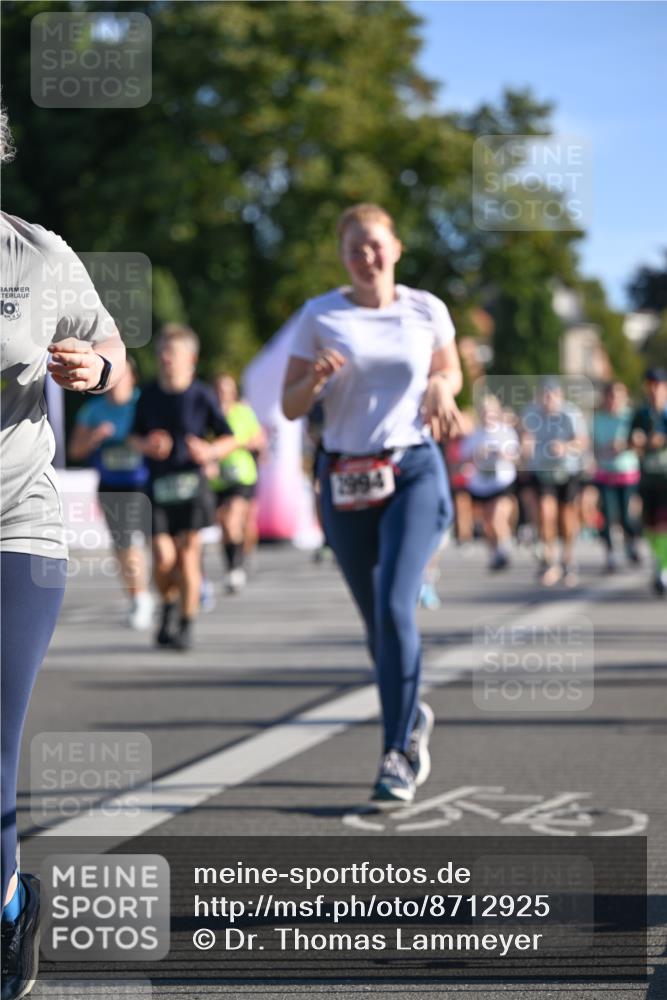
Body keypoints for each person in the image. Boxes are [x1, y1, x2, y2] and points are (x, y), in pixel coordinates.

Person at [1, 111, 126, 1000]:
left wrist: (98, 368)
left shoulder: (36, 256)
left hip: (17, 524)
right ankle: (12, 900)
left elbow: (111, 340)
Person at [281, 203, 462, 805]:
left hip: (411, 467)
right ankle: (410, 716)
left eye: (375, 245)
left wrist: (440, 383)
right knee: (376, 622)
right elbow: (288, 404)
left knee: (395, 604)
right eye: (354, 248)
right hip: (343, 476)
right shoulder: (319, 314)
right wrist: (317, 383)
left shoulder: (425, 308)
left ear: (396, 247)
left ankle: (398, 751)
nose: (366, 256)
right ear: (343, 257)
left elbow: (450, 372)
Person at [130, 324, 236, 649]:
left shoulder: (202, 395)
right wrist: (148, 445)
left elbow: (229, 437)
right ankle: (168, 605)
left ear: (190, 358)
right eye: (161, 352)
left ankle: (186, 625)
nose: (164, 359)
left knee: (189, 557)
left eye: (171, 353)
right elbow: (132, 438)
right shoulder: (148, 394)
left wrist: (209, 451)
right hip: (160, 486)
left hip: (193, 486)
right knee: (163, 558)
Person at [68, 357, 154, 627]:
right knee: (124, 545)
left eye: (122, 374)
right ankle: (139, 598)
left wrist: (142, 443)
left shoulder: (146, 404)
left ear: (132, 378)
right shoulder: (93, 410)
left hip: (146, 483)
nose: (116, 381)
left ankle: (183, 583)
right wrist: (93, 438)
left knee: (161, 544)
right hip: (112, 486)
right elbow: (75, 450)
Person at [522, 378, 589, 587]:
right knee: (545, 512)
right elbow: (525, 436)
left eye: (552, 395)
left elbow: (582, 442)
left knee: (566, 516)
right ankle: (550, 561)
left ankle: (568, 559)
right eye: (544, 394)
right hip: (543, 471)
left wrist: (566, 447)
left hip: (568, 470)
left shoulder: (570, 413)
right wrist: (525, 448)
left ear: (559, 395)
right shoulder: (532, 412)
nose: (547, 399)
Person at [208, 374, 265, 594]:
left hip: (242, 474)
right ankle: (233, 563)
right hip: (218, 478)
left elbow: (259, 439)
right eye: (219, 389)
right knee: (225, 526)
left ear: (233, 392)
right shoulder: (210, 413)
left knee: (236, 520)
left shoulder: (243, 412)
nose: (223, 393)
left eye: (227, 389)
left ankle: (237, 567)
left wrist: (238, 443)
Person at [459, 395, 519, 570]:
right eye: (484, 412)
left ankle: (504, 548)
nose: (487, 416)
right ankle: (494, 553)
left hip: (502, 481)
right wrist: (477, 456)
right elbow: (462, 461)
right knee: (487, 523)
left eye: (491, 412)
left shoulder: (505, 432)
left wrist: (502, 454)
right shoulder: (474, 435)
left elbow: (516, 456)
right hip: (481, 485)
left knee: (497, 517)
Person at [592, 381, 641, 571]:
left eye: (617, 396)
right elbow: (591, 444)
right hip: (605, 473)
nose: (613, 400)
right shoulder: (598, 419)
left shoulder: (631, 416)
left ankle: (631, 542)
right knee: (606, 516)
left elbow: (640, 442)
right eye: (610, 396)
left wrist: (626, 444)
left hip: (627, 472)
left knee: (626, 515)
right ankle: (610, 553)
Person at [629, 368, 667, 594]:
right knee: (650, 526)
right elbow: (630, 440)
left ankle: (662, 568)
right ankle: (660, 560)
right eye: (650, 385)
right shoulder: (641, 413)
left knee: (664, 523)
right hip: (647, 476)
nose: (654, 390)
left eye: (659, 385)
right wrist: (638, 441)